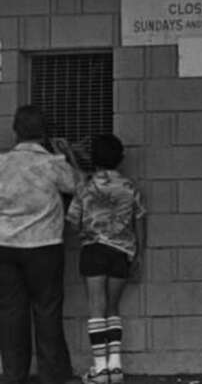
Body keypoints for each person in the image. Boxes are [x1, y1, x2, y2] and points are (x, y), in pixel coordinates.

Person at [0, 105, 79, 384]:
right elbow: (77, 187)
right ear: (44, 133)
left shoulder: (1, 163)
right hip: (44, 245)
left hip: (5, 245)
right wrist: (67, 154)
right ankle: (52, 375)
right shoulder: (53, 164)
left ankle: (13, 374)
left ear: (15, 129)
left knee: (10, 313)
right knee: (47, 311)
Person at [66, 134, 146, 384]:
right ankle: (115, 367)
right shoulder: (130, 187)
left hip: (93, 251)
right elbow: (140, 220)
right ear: (120, 159)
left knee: (96, 310)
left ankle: (100, 370)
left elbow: (72, 221)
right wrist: (139, 254)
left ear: (94, 159)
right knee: (113, 309)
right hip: (122, 251)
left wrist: (85, 232)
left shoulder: (85, 187)